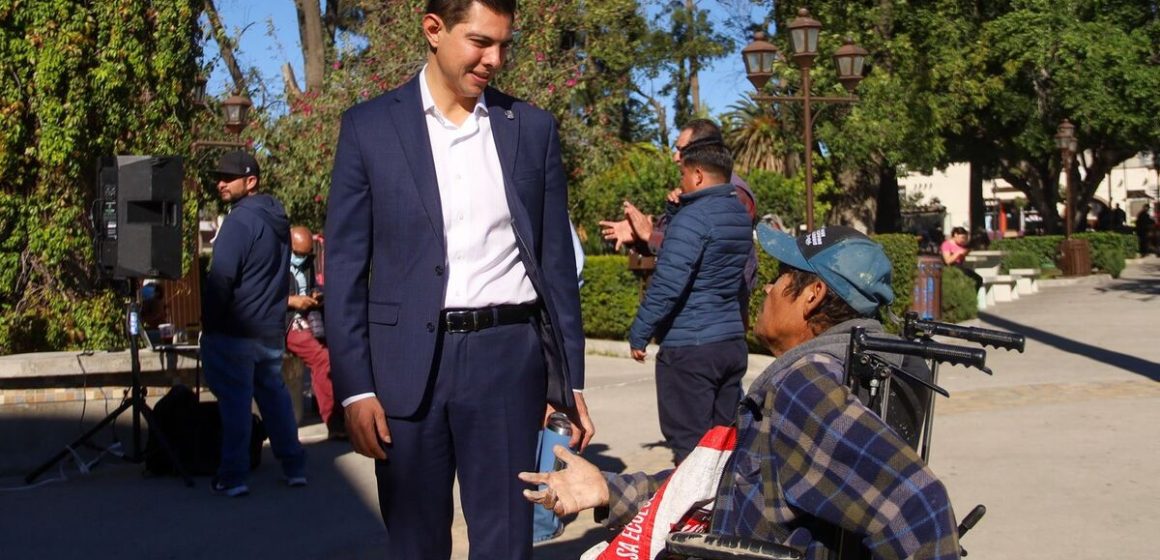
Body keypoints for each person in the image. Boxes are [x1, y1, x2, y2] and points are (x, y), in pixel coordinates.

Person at [323, 1, 593, 557]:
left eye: (503, 45)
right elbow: (346, 269)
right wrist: (355, 386)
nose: (494, 59)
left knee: (505, 541)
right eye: (479, 42)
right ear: (433, 30)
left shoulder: (532, 128)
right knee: (416, 542)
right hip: (405, 365)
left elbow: (557, 271)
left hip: (507, 361)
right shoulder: (370, 128)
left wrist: (570, 383)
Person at [520, 224, 961, 560]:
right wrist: (609, 489)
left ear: (812, 295)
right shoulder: (849, 368)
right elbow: (729, 479)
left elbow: (919, 504)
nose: (766, 288)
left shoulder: (805, 385)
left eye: (782, 276)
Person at [626, 136, 752, 464]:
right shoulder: (738, 215)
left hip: (690, 348)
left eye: (683, 174)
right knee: (724, 445)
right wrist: (675, 211)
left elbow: (669, 282)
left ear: (697, 175)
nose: (680, 183)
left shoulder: (693, 219)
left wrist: (640, 332)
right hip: (729, 342)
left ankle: (696, 515)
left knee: (691, 452)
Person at [201, 150, 306, 497]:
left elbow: (221, 280)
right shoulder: (279, 222)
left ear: (250, 181)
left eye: (228, 178)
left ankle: (233, 476)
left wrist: (211, 325)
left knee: (235, 404)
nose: (220, 183)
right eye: (219, 176)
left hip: (236, 331)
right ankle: (294, 467)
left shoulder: (239, 221)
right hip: (269, 329)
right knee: (274, 398)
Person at [285, 225, 343, 440]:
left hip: (310, 319)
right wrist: (293, 301)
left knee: (337, 354)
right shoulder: (275, 265)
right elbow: (265, 295)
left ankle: (340, 412)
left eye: (306, 254)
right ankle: (332, 420)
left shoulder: (307, 264)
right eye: (298, 254)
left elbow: (312, 288)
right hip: (289, 323)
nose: (302, 258)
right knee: (322, 359)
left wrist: (315, 296)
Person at [942, 226, 982, 292]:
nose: (963, 240)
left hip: (961, 267)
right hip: (952, 267)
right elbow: (947, 261)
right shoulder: (946, 244)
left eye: (965, 238)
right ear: (955, 235)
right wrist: (958, 253)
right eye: (962, 238)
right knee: (975, 279)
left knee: (978, 279)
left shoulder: (961, 246)